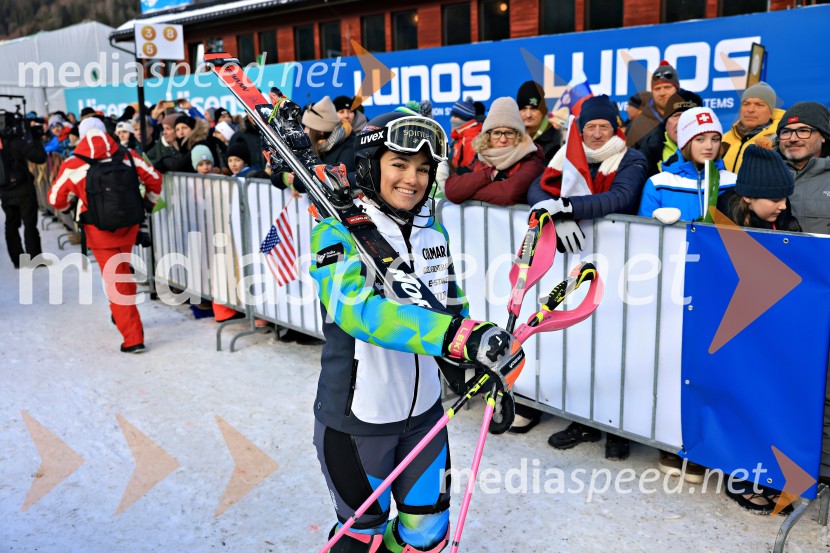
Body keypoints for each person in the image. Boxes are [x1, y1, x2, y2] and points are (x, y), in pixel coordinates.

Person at [310, 111, 524, 552]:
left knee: (426, 533)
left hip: (425, 415)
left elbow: (447, 304)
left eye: (424, 169)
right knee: (360, 535)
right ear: (371, 165)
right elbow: (361, 315)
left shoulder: (432, 232)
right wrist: (456, 336)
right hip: (358, 420)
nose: (413, 179)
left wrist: (478, 363)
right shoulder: (335, 234)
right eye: (399, 164)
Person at [528, 95, 648, 457]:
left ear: (616, 129)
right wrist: (559, 217)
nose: (596, 134)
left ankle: (619, 428)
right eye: (590, 127)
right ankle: (584, 419)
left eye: (604, 127)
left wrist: (566, 206)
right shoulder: (567, 155)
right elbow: (537, 189)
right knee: (582, 343)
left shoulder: (632, 157)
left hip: (623, 266)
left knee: (618, 345)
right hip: (580, 265)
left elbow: (621, 198)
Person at [721, 144, 799, 515]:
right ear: (749, 196)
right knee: (739, 398)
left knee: (771, 401)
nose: (783, 205)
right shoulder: (721, 225)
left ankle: (769, 475)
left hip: (775, 335)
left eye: (786, 197)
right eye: (776, 198)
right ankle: (738, 473)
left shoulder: (787, 223)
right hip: (735, 333)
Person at [49, 117, 162, 353]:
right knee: (122, 272)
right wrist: (146, 204)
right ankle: (121, 315)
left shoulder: (73, 164)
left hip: (98, 230)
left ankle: (133, 338)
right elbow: (155, 180)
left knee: (115, 281)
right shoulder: (129, 155)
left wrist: (72, 203)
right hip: (129, 226)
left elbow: (55, 200)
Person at [638, 107, 736, 222]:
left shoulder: (733, 182)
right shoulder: (658, 184)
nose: (709, 146)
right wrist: (656, 222)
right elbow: (643, 233)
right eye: (700, 139)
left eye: (715, 139)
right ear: (685, 143)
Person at [444, 97, 544, 206]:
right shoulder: (482, 158)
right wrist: (489, 174)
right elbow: (451, 190)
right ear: (488, 135)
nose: (503, 139)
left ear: (518, 135)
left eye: (509, 133)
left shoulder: (531, 160)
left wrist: (466, 193)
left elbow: (508, 194)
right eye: (496, 133)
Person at [775, 101, 830, 235]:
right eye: (786, 132)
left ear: (823, 136)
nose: (793, 138)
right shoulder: (763, 173)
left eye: (803, 131)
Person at [0, 116, 48, 269]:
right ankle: (35, 258)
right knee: (29, 224)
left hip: (5, 191)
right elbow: (40, 158)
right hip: (24, 189)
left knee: (11, 224)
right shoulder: (17, 142)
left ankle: (17, 260)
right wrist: (35, 138)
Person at [721, 82, 784, 174]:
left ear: (771, 111)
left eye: (759, 105)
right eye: (746, 104)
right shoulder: (724, 139)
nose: (750, 110)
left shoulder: (779, 140)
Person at [626, 61, 680, 152]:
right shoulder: (636, 126)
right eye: (657, 89)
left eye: (667, 87)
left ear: (677, 89)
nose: (662, 93)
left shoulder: (691, 117)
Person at [302, 95, 357, 174]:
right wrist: (284, 177)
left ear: (321, 131)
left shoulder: (350, 146)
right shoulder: (315, 145)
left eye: (308, 128)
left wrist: (296, 180)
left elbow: (340, 178)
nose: (304, 131)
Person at [516, 80, 562, 164]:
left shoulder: (558, 141)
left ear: (543, 110)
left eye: (533, 109)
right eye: (523, 109)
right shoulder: (512, 138)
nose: (528, 115)